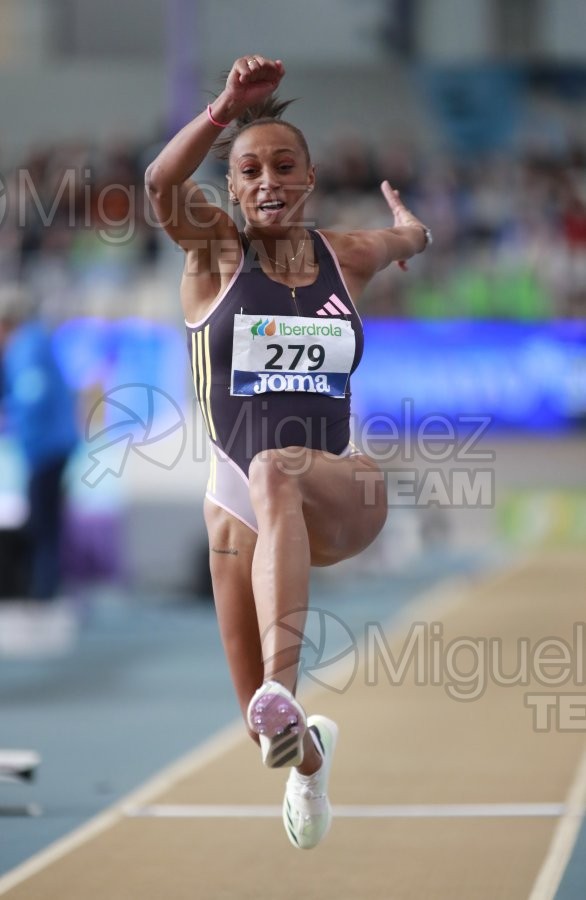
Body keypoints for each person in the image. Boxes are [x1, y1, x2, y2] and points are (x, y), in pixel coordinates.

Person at [145, 54, 431, 850]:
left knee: (277, 466)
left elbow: (408, 236)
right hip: (238, 508)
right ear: (232, 188)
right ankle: (308, 757)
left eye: (283, 165)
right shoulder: (213, 254)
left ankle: (283, 684)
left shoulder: (347, 254)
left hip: (342, 489)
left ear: (309, 177)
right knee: (261, 729)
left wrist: (415, 229)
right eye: (249, 170)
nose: (268, 180)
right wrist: (222, 108)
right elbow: (160, 184)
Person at [0, 286, 78, 602]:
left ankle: (43, 589)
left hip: (47, 446)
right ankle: (47, 585)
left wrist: (10, 418)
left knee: (42, 521)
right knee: (48, 519)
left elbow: (33, 394)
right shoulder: (33, 341)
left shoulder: (25, 346)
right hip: (53, 443)